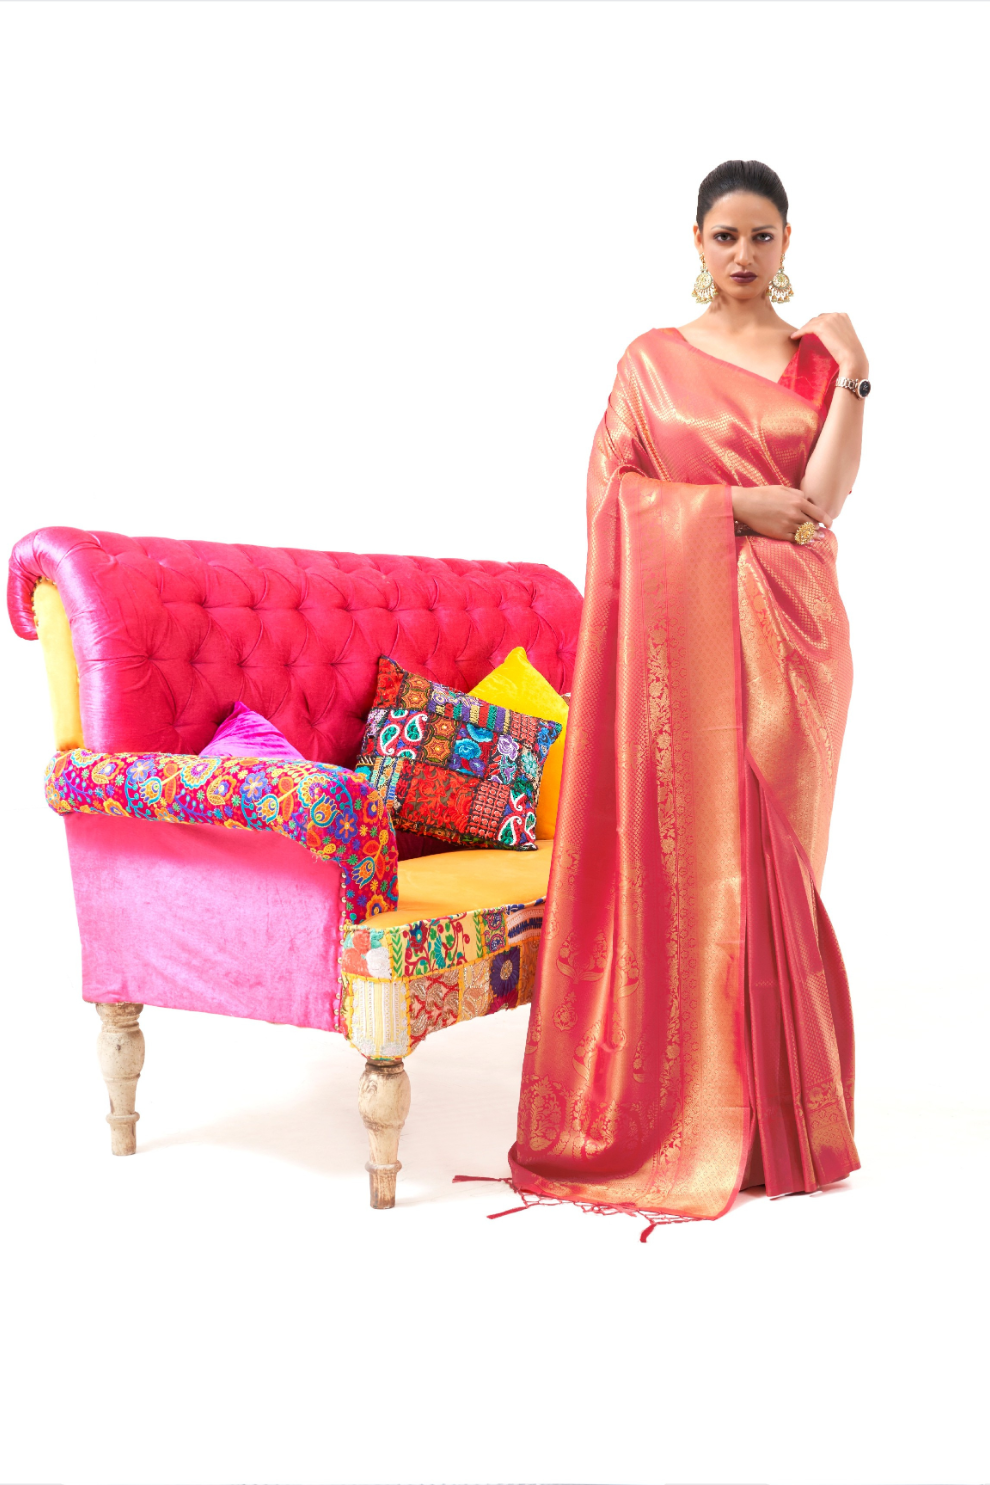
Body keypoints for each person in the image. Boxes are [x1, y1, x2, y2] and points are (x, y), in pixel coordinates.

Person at [507, 159, 867, 1226]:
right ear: (698, 244)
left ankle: (774, 1129)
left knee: (776, 868)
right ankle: (696, 1112)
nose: (743, 254)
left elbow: (824, 498)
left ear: (788, 243)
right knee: (694, 861)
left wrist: (855, 371)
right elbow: (611, 495)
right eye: (725, 235)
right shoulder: (652, 362)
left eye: (762, 235)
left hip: (794, 634)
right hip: (688, 644)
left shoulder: (816, 362)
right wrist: (731, 508)